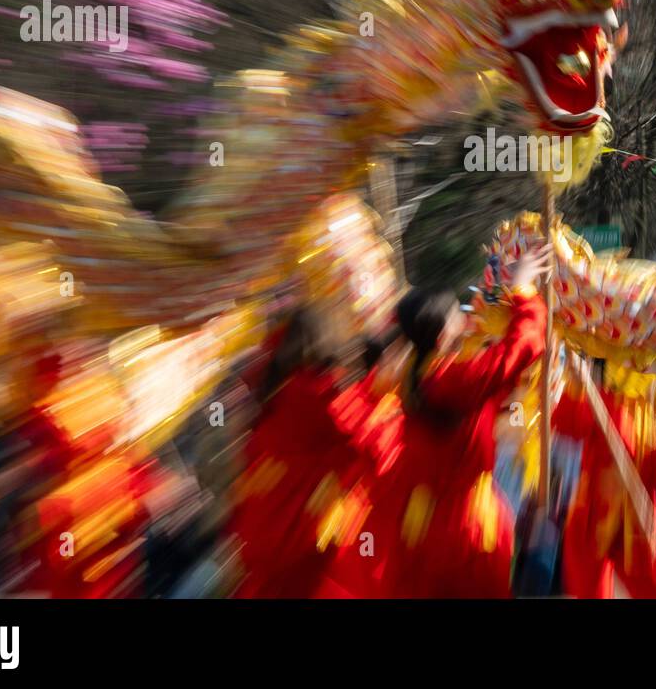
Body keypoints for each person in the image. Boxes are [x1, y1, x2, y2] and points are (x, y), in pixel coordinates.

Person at [353, 244, 550, 598]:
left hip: (425, 526)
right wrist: (523, 291)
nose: (464, 317)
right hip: (463, 535)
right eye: (455, 314)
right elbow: (523, 347)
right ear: (442, 335)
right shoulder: (450, 381)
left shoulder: (418, 373)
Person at [231, 304, 378, 598]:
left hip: (263, 518)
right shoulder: (325, 391)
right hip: (308, 523)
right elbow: (371, 440)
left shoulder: (272, 390)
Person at [554, 360, 656, 598]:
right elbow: (565, 423)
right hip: (590, 523)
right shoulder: (600, 398)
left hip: (640, 527)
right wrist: (577, 385)